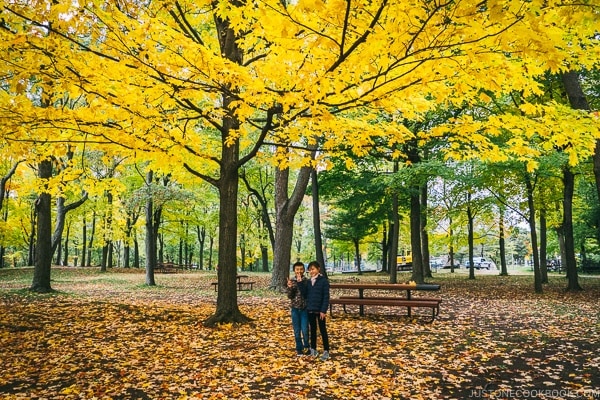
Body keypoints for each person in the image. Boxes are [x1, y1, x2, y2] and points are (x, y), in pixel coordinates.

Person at [306, 260, 330, 361]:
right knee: (313, 330)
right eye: (310, 270)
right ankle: (313, 349)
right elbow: (305, 294)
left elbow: (326, 297)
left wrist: (323, 310)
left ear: (318, 269)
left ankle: (326, 350)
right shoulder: (308, 282)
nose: (311, 271)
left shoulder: (323, 281)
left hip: (320, 310)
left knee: (322, 329)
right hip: (310, 310)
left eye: (313, 269)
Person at [286, 261, 310, 356]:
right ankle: (299, 348)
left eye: (301, 269)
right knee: (296, 330)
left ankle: (307, 347)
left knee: (305, 330)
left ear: (304, 270)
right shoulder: (291, 281)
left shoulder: (307, 281)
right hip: (295, 309)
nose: (299, 271)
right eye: (297, 269)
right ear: (294, 270)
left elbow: (306, 294)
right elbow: (290, 296)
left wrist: (300, 282)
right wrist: (290, 287)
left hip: (304, 309)